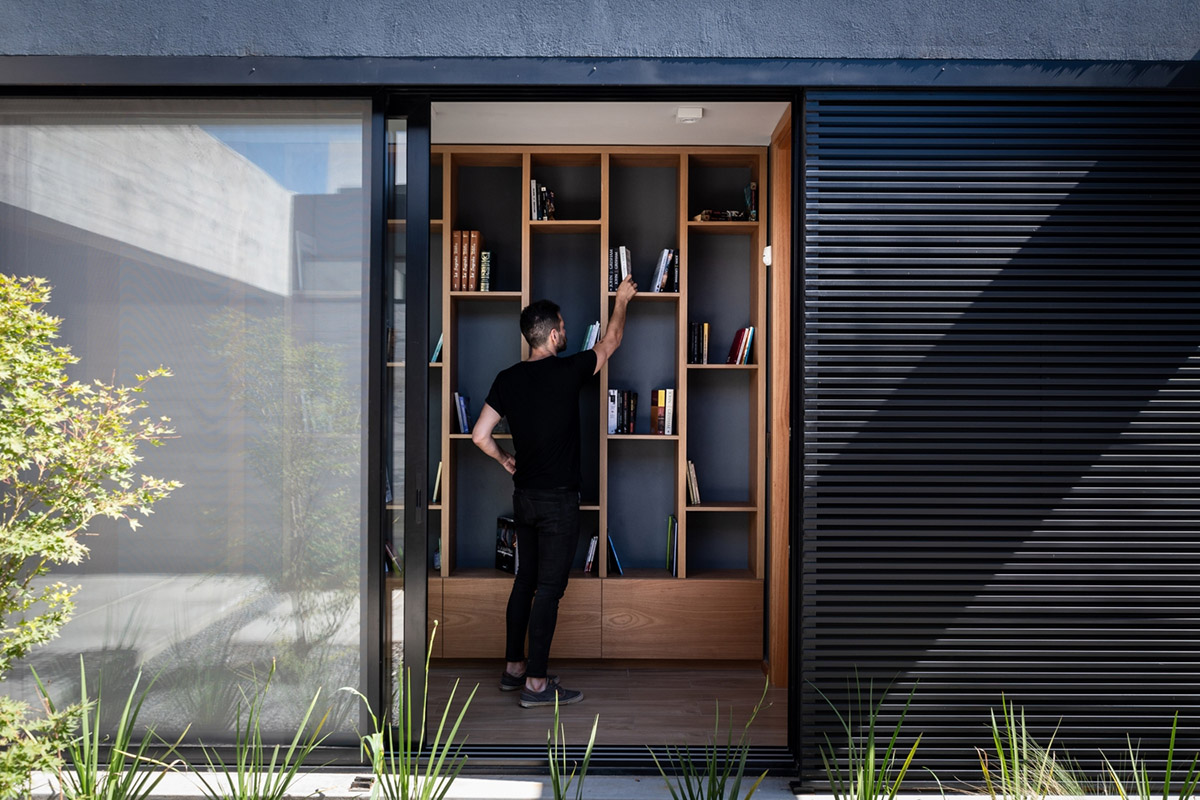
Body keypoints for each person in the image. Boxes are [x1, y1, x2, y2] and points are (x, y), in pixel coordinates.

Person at [471, 274, 638, 708]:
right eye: (562, 326)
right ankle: (537, 685)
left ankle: (514, 670)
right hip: (559, 500)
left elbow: (479, 435)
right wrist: (621, 300)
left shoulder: (507, 379)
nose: (566, 331)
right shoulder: (568, 370)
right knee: (548, 589)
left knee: (525, 581)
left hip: (524, 497)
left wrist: (505, 460)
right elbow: (612, 341)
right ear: (551, 335)